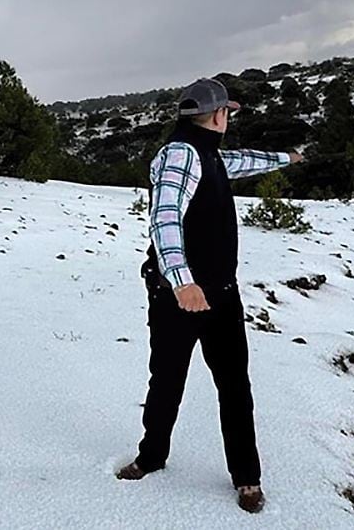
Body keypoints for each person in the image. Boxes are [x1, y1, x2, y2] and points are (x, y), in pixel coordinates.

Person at [115, 78, 304, 514]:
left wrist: (287, 158)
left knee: (235, 386)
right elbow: (164, 220)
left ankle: (247, 479)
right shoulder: (180, 155)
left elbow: (239, 162)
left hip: (221, 295)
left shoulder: (207, 154)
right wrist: (183, 281)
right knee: (167, 382)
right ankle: (150, 459)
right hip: (179, 298)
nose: (229, 120)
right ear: (219, 115)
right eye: (229, 113)